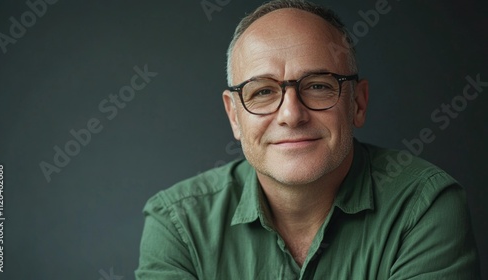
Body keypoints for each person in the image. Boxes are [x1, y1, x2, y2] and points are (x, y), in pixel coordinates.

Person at [135, 0, 480, 279]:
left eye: (318, 86)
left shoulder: (424, 208)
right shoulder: (178, 224)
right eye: (263, 92)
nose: (291, 114)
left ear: (357, 103)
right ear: (234, 116)